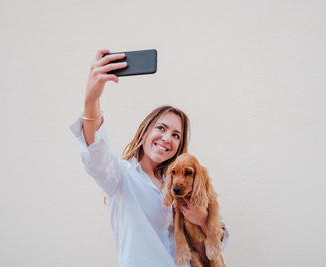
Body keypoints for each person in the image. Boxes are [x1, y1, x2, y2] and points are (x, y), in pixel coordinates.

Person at [70, 49, 229, 267]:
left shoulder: (178, 184)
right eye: (161, 128)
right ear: (145, 131)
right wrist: (92, 98)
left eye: (176, 135)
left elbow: (221, 240)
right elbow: (96, 153)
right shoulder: (121, 176)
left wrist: (202, 219)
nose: (167, 138)